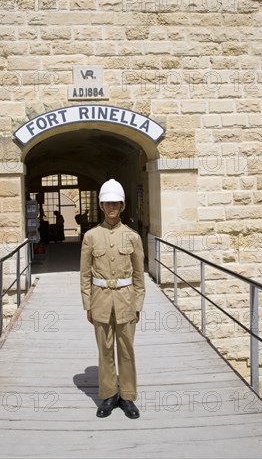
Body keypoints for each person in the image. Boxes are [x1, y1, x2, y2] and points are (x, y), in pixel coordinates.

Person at [80, 179, 145, 419]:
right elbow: (85, 275)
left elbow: (139, 276)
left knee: (126, 351)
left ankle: (127, 396)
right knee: (105, 351)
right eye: (107, 203)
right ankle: (108, 395)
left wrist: (138, 305)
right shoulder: (91, 237)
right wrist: (88, 304)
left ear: (122, 205)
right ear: (101, 205)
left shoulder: (132, 238)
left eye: (115, 203)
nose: (111, 208)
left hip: (126, 301)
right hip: (100, 302)